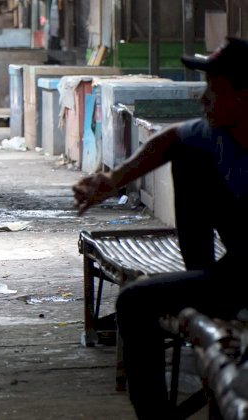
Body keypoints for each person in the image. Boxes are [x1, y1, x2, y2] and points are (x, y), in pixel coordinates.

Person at [72, 37, 248, 419]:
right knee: (184, 155)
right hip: (236, 272)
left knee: (136, 302)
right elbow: (169, 140)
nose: (204, 99)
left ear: (244, 94)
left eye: (213, 91)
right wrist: (111, 180)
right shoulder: (217, 136)